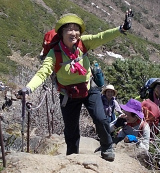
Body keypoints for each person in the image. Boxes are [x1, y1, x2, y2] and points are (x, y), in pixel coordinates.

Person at [19, 10, 133, 161]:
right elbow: (43, 73)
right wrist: (29, 88)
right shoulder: (55, 53)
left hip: (88, 88)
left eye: (76, 29)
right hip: (68, 94)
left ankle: (106, 147)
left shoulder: (84, 43)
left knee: (101, 118)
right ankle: (72, 156)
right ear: (61, 33)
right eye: (69, 29)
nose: (74, 33)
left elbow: (101, 37)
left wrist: (121, 28)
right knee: (71, 129)